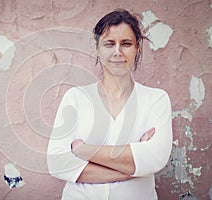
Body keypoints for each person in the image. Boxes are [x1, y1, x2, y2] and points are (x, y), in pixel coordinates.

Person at [47, 9, 173, 200]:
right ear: (97, 48)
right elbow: (57, 163)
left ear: (137, 48)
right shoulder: (75, 97)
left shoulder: (156, 99)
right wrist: (134, 165)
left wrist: (84, 150)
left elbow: (156, 158)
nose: (117, 52)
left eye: (126, 44)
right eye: (109, 44)